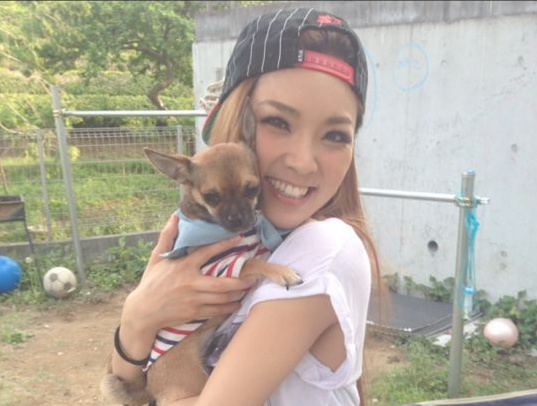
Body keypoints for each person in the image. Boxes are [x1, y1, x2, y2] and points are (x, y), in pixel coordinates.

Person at [109, 7, 381, 406]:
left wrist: (137, 319)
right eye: (278, 122)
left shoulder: (326, 247)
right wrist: (137, 318)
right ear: (238, 120)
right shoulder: (257, 237)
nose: (302, 162)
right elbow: (130, 384)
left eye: (336, 135)